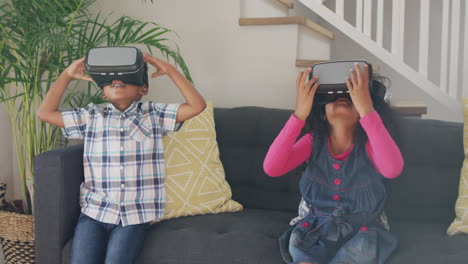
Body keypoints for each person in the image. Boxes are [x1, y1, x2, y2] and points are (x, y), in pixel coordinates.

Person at [36, 52, 206, 264]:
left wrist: (170, 70)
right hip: (95, 213)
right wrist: (66, 75)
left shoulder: (154, 115)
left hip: (135, 216)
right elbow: (45, 112)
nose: (117, 81)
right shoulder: (91, 117)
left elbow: (197, 106)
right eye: (110, 80)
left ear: (142, 89)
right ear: (103, 94)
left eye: (125, 78)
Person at [263, 64, 403, 264]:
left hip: (362, 231)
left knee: (358, 252)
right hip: (315, 229)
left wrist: (367, 109)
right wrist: (299, 115)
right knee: (302, 252)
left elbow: (392, 169)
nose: (341, 99)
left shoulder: (371, 146)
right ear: (321, 113)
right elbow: (272, 168)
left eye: (350, 99)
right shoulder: (313, 142)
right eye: (333, 98)